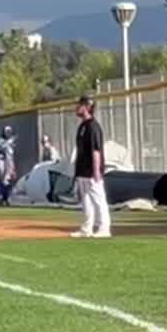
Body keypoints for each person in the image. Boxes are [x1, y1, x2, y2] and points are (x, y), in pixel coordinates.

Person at [71, 95, 110, 238]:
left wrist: (96, 171)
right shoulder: (82, 126)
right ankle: (87, 228)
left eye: (80, 104)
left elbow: (96, 150)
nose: (77, 107)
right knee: (86, 200)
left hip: (91, 171)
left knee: (98, 199)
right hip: (82, 170)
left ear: (87, 107)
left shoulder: (93, 127)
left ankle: (104, 228)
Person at [0, 125, 17, 205]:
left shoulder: (10, 145)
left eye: (9, 132)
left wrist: (13, 168)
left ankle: (4, 198)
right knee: (1, 179)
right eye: (6, 132)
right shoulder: (1, 141)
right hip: (1, 161)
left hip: (8, 163)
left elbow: (10, 156)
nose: (8, 133)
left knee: (6, 181)